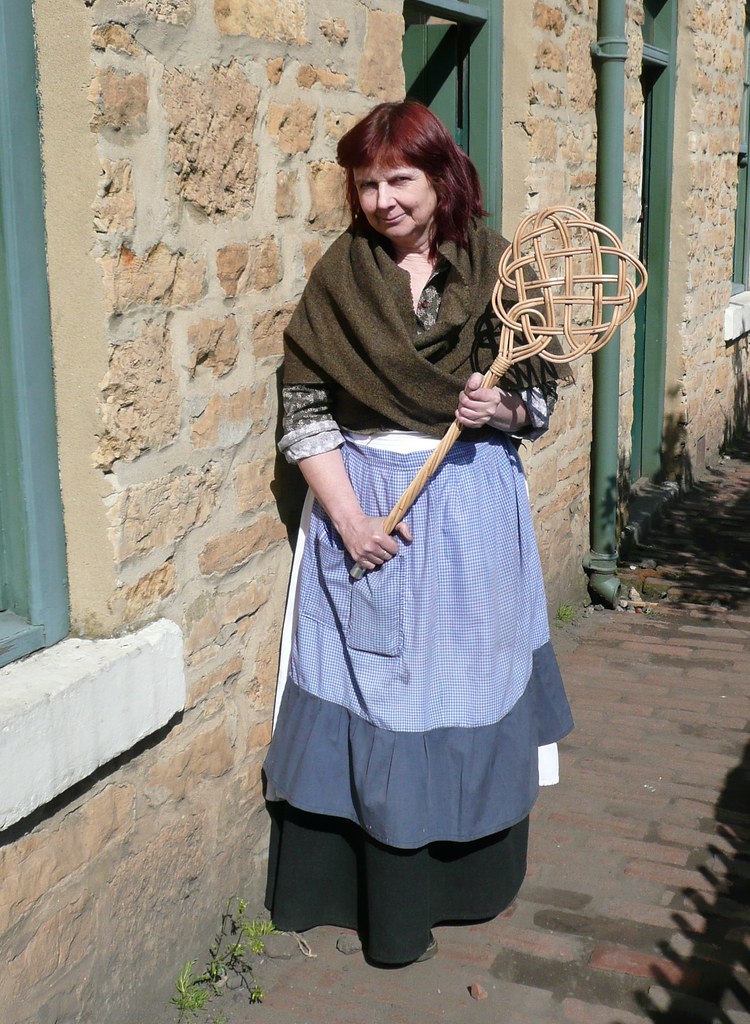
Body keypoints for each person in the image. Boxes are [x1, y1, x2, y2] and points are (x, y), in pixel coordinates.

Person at [263, 100, 573, 966]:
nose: (384, 200)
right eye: (367, 184)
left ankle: (461, 882)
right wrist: (349, 519)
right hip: (366, 510)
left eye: (400, 179)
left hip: (472, 512)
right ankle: (369, 895)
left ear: (442, 178)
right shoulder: (341, 276)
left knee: (464, 682)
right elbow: (303, 411)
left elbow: (541, 398)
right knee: (376, 686)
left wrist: (500, 405)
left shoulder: (497, 266)